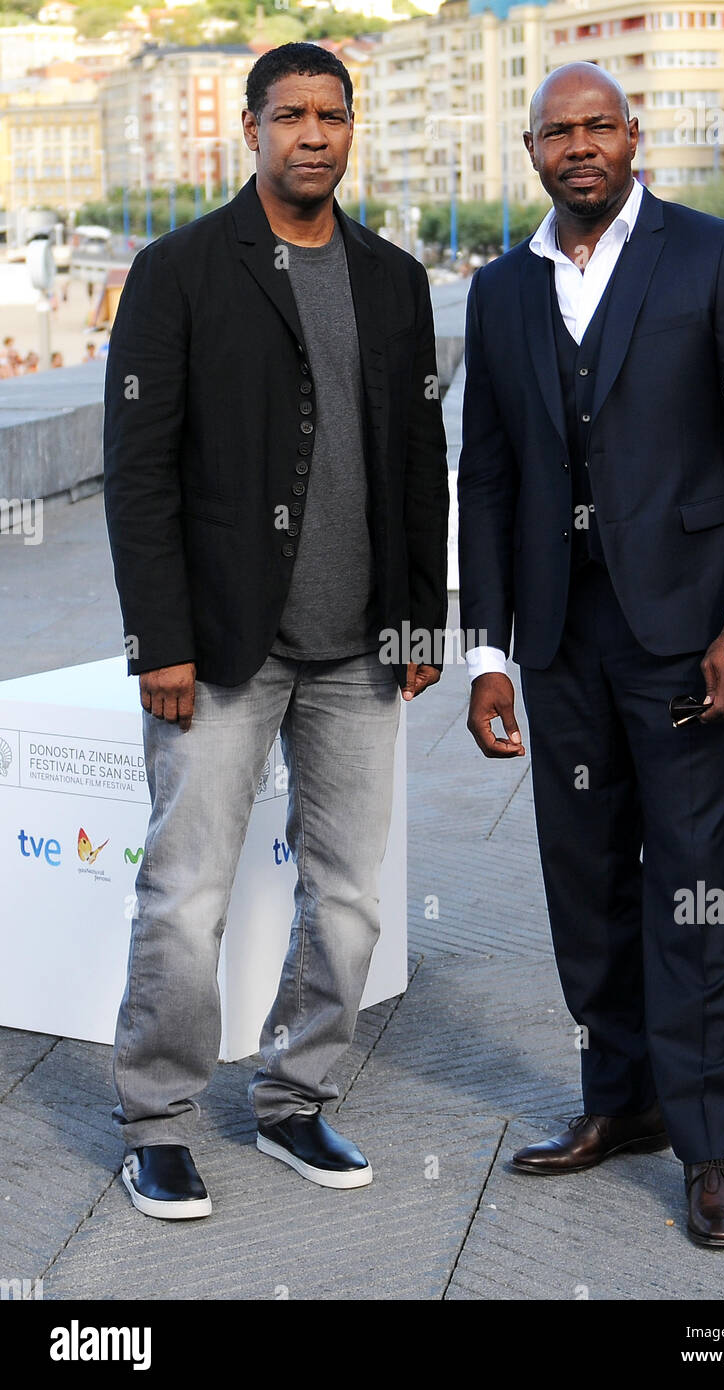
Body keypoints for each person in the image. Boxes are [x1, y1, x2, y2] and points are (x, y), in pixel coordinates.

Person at [458, 63, 724, 1249]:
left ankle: (707, 1147)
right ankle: (620, 1102)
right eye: (556, 131)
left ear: (631, 134)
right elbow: (488, 477)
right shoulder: (501, 290)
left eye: (597, 126)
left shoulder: (717, 254)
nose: (579, 146)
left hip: (686, 638)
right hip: (557, 639)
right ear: (530, 149)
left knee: (694, 887)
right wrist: (487, 654)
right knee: (584, 883)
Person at [103, 42, 449, 1220]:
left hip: (361, 650)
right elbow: (138, 472)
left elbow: (419, 459)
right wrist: (161, 640)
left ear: (351, 132)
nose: (313, 133)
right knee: (185, 891)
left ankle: (296, 1097)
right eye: (290, 114)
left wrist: (419, 616)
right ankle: (154, 1118)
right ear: (249, 129)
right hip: (220, 646)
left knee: (348, 894)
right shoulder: (178, 270)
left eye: (332, 115)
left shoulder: (394, 279)